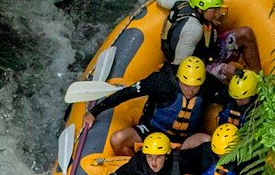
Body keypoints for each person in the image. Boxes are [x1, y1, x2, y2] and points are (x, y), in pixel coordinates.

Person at [84, 56, 224, 156]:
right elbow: (127, 93)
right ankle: (137, 166)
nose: (190, 91)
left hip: (185, 139)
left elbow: (228, 96)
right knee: (118, 139)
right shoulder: (161, 82)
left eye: (195, 87)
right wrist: (94, 112)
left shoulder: (209, 84)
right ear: (179, 78)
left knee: (208, 141)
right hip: (151, 131)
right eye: (186, 85)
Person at [161, 0, 226, 66]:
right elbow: (179, 65)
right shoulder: (193, 30)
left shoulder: (188, 1)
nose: (218, 13)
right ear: (201, 8)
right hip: (202, 64)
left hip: (206, 47)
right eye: (214, 10)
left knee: (245, 32)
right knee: (245, 34)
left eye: (218, 8)